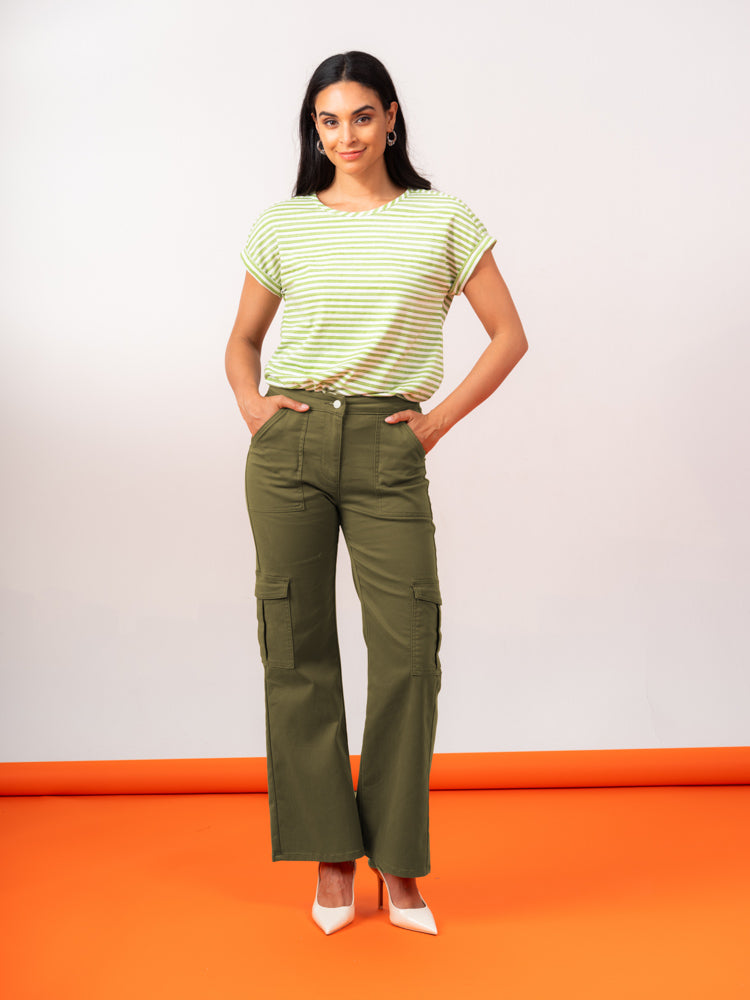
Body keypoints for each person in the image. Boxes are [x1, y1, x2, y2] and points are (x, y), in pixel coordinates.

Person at [225, 51, 528, 936]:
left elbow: (509, 335)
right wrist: (253, 407)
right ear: (313, 130)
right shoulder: (284, 224)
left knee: (409, 653)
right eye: (329, 121)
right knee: (295, 646)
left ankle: (397, 859)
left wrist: (436, 424)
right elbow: (242, 341)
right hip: (290, 447)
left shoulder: (443, 218)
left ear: (391, 117)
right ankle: (329, 855)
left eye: (361, 116)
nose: (346, 135)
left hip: (388, 446)